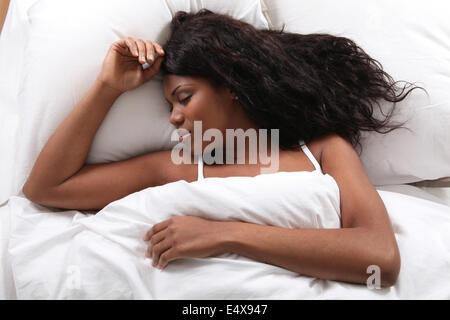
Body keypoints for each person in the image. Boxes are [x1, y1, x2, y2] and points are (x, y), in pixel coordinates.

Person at [22, 9, 420, 287]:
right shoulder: (178, 167)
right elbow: (46, 189)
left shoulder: (322, 151)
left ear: (229, 84)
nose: (174, 118)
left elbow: (380, 258)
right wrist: (107, 88)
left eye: (184, 97)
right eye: (168, 106)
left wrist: (225, 234)